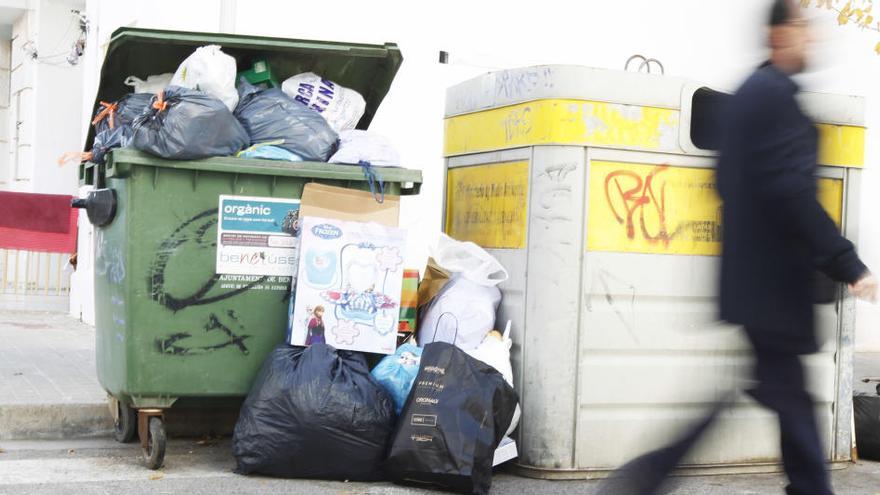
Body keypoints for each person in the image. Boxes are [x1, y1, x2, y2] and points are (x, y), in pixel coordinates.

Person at [600, 1, 878, 494]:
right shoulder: (773, 99)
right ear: (778, 35)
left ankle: (647, 476)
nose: (812, 37)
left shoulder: (752, 96)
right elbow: (792, 192)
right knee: (789, 398)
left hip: (757, 283)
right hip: (773, 287)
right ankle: (647, 477)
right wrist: (846, 262)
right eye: (803, 27)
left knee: (779, 395)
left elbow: (728, 181)